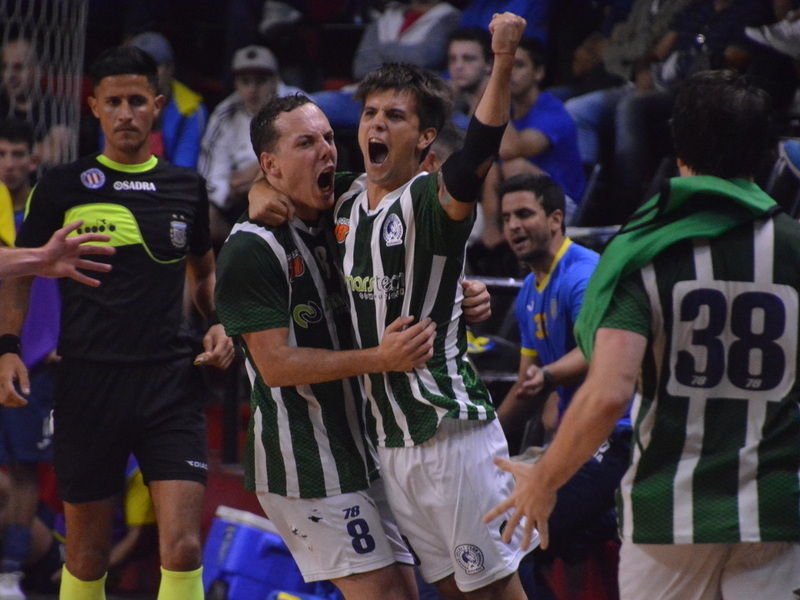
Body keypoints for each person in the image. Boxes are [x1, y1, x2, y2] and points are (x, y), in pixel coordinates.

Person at [486, 70, 800, 600]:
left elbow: (609, 393)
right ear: (767, 156)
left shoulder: (644, 257)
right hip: (774, 506)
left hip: (669, 510)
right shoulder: (793, 249)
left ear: (679, 155)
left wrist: (543, 481)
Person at [250, 12, 530, 600]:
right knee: (455, 592)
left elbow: (479, 148)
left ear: (424, 137)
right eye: (371, 113)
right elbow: (282, 180)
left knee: (494, 592)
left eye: (395, 117)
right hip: (392, 443)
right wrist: (259, 189)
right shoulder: (348, 197)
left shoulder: (431, 199)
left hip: (449, 430)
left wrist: (501, 60)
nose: (377, 124)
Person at [0, 45, 234, 600]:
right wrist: (9, 346)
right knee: (85, 554)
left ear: (155, 106)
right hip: (88, 384)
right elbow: (20, 274)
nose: (126, 112)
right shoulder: (59, 186)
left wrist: (218, 321)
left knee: (184, 547)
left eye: (136, 100)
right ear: (94, 108)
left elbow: (203, 274)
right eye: (114, 102)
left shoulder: (187, 187)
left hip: (170, 384)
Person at [216, 93, 437, 600]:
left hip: (363, 444)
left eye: (329, 139)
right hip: (304, 461)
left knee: (407, 592)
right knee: (382, 595)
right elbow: (274, 366)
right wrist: (380, 358)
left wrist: (464, 290)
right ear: (271, 164)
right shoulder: (251, 247)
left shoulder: (343, 205)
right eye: (306, 143)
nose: (327, 152)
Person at [495, 172, 631, 599]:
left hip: (616, 435)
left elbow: (601, 352)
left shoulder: (584, 274)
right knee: (496, 522)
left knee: (517, 535)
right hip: (577, 441)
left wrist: (550, 376)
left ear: (555, 219)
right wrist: (481, 441)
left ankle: (609, 515)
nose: (513, 225)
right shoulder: (528, 295)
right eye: (505, 218)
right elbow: (526, 388)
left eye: (524, 214)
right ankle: (598, 522)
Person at [0, 118, 58, 600]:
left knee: (23, 470)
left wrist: (63, 336)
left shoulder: (47, 212)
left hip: (33, 360)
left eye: (19, 154)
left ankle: (11, 573)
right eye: (3, 154)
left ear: (33, 160)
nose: (11, 164)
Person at [199, 44, 303, 250]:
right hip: (238, 202)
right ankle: (242, 254)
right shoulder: (224, 114)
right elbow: (211, 179)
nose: (252, 90)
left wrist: (260, 172)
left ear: (276, 81)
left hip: (286, 192)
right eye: (245, 82)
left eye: (261, 81)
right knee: (203, 217)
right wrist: (233, 191)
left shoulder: (298, 106)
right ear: (235, 84)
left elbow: (307, 159)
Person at [126, 31, 208, 169]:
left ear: (170, 69)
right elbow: (113, 163)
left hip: (171, 187)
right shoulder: (115, 105)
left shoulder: (191, 110)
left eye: (154, 66)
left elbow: (183, 171)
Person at [0, 38, 75, 169]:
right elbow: (45, 151)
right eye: (5, 67)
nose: (9, 75)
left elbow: (55, 154)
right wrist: (37, 149)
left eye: (18, 67)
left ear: (39, 69)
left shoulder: (57, 107)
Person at [446, 28, 493, 130]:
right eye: (453, 59)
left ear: (489, 64)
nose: (458, 66)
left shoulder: (505, 97)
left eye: (468, 59)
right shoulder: (445, 97)